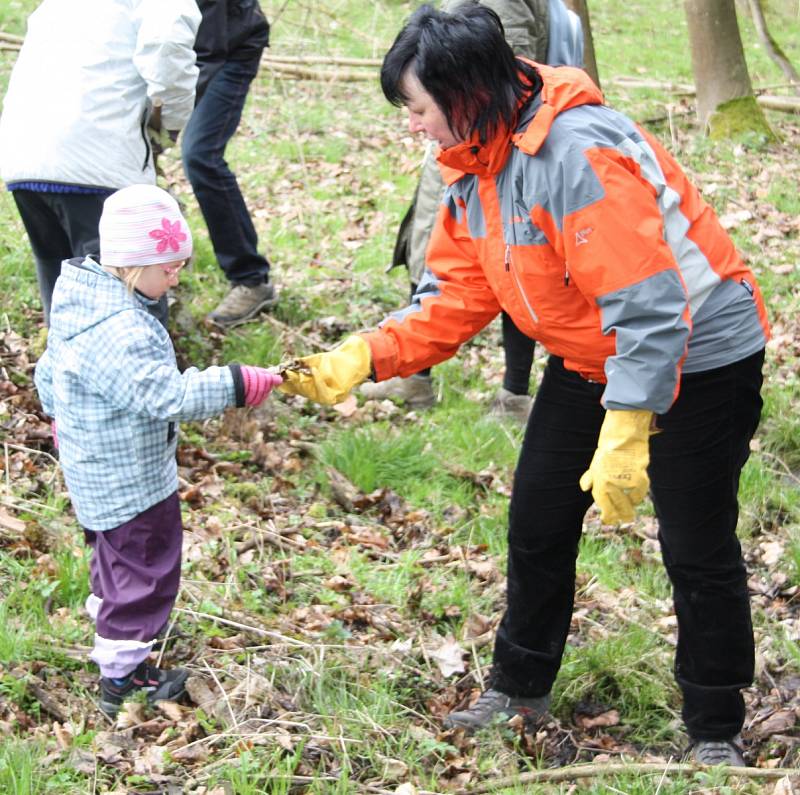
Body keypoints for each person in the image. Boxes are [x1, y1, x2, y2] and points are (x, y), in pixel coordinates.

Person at [278, 2, 770, 766]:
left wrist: (630, 424)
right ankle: (518, 685)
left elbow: (650, 304)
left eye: (418, 108)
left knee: (695, 544)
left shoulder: (577, 152)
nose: (413, 125)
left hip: (700, 352)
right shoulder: (476, 163)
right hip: (589, 355)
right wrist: (364, 356)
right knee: (538, 517)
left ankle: (714, 725)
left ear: (466, 91)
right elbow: (456, 294)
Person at [33, 185, 282, 719]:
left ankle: (117, 642)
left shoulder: (79, 302)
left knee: (115, 563)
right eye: (168, 268)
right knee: (146, 569)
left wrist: (61, 420)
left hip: (93, 473)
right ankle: (123, 679)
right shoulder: (122, 329)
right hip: (131, 482)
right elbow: (165, 396)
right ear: (132, 263)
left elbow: (47, 374)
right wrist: (237, 383)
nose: (176, 277)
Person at [360, 0, 583, 421]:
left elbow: (495, 75)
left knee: (516, 257)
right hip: (463, 142)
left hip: (489, 147)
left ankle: (514, 394)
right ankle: (413, 372)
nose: (410, 123)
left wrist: (461, 132)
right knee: (442, 256)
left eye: (416, 113)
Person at [0, 0, 201, 326]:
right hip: (96, 157)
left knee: (61, 283)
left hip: (26, 151)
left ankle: (63, 373)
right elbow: (168, 47)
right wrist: (169, 125)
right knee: (128, 297)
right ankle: (145, 373)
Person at [184, 0, 276, 328]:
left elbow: (209, 47)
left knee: (200, 154)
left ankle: (251, 279)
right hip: (182, 47)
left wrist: (164, 104)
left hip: (229, 45)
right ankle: (154, 257)